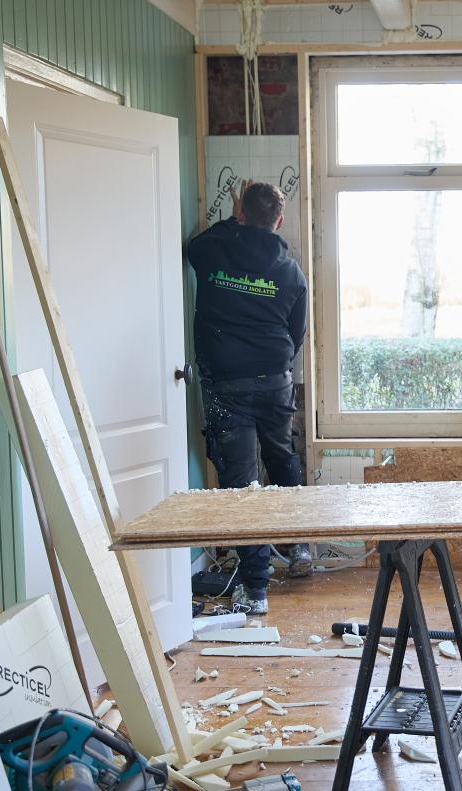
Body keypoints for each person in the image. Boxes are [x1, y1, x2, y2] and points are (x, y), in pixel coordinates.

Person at [187, 180, 311, 615]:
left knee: (241, 486)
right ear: (278, 220)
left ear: (240, 213)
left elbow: (193, 246)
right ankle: (298, 548)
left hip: (227, 385)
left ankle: (256, 590)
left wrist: (234, 217)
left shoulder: (213, 251)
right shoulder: (290, 271)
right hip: (275, 380)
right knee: (281, 459)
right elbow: (296, 334)